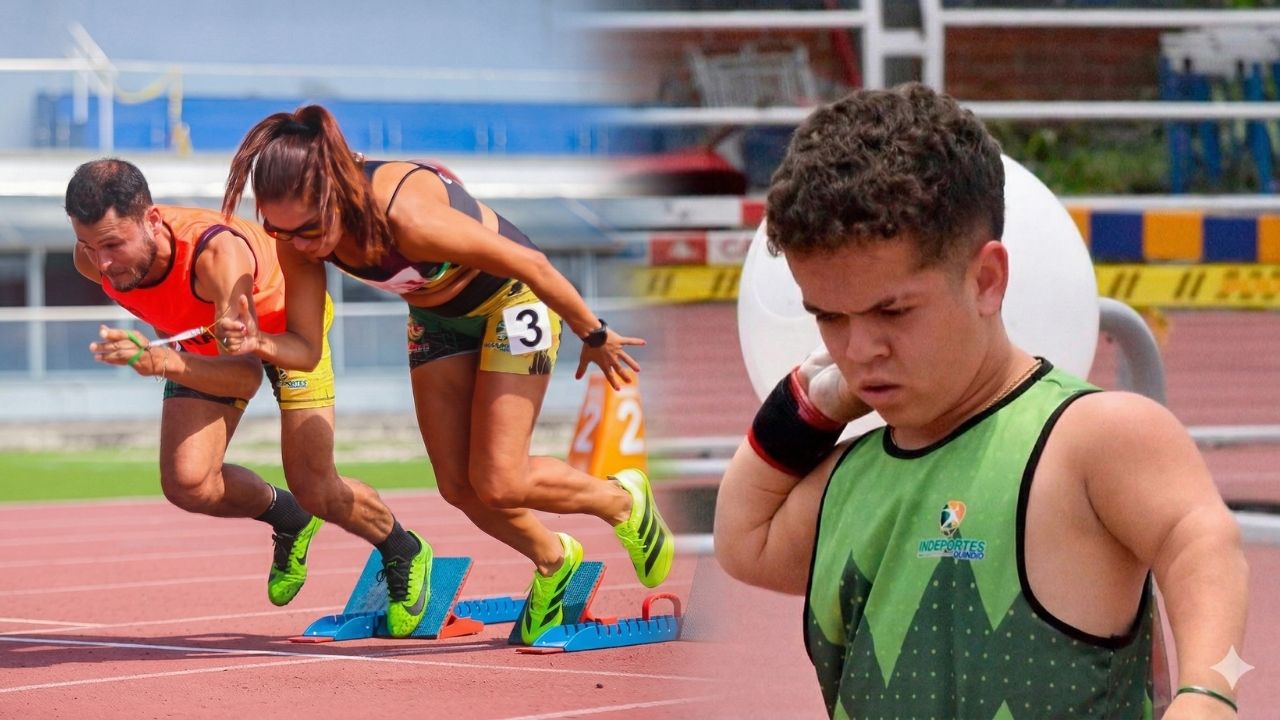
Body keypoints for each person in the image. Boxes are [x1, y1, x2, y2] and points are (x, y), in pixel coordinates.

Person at [713, 84, 1248, 719]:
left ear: (986, 280)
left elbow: (1202, 542)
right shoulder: (852, 479)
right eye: (830, 317)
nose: (860, 349)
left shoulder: (1089, 438)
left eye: (892, 311)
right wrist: (814, 401)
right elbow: (741, 539)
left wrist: (1209, 695)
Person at [216, 105, 674, 643]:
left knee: (500, 480)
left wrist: (593, 334)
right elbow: (307, 348)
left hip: (511, 302)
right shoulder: (297, 240)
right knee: (458, 486)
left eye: (308, 229)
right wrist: (256, 341)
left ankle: (624, 501)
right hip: (437, 320)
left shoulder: (408, 216)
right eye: (278, 229)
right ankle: (555, 560)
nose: (296, 244)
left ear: (337, 191)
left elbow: (533, 265)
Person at [66, 158, 431, 637]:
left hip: (286, 334)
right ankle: (289, 516)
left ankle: (403, 549)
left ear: (152, 220)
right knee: (187, 483)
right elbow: (163, 303)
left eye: (113, 244)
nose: (103, 263)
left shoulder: (216, 257)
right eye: (90, 246)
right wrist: (170, 347)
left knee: (317, 487)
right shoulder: (91, 261)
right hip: (206, 342)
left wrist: (163, 362)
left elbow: (242, 378)